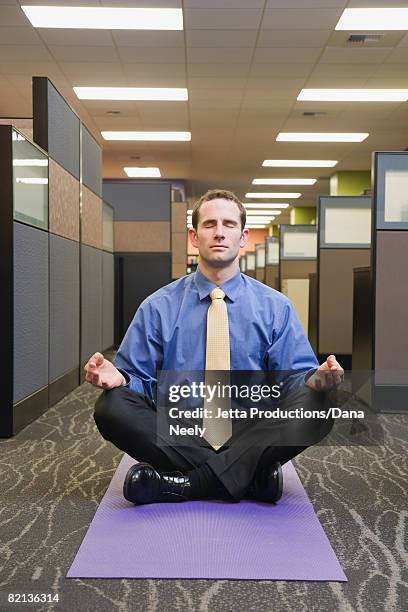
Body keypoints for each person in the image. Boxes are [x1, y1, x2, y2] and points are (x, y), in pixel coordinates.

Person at [85, 189, 343, 506]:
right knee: (111, 406)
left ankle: (187, 483)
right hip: (178, 434)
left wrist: (314, 381)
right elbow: (139, 383)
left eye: (229, 224)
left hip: (252, 432)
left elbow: (292, 381)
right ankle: (249, 476)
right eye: (209, 224)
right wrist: (120, 379)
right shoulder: (158, 306)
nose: (219, 232)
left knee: (320, 402)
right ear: (194, 236)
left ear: (243, 236)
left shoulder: (275, 307)